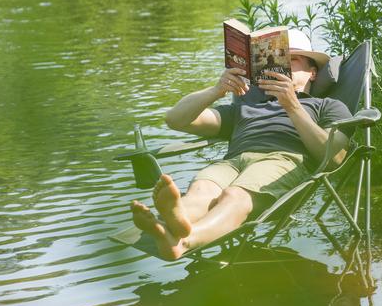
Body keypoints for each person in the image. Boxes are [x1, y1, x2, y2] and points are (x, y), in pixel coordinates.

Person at [130, 29, 353, 260]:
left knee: (234, 196)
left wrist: (292, 105)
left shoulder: (326, 106)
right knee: (202, 190)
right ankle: (173, 220)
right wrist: (217, 90)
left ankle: (185, 240)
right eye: (280, 60)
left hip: (282, 160)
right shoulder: (246, 108)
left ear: (312, 73)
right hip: (233, 162)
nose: (285, 66)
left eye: (293, 59)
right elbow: (175, 119)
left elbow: (335, 156)